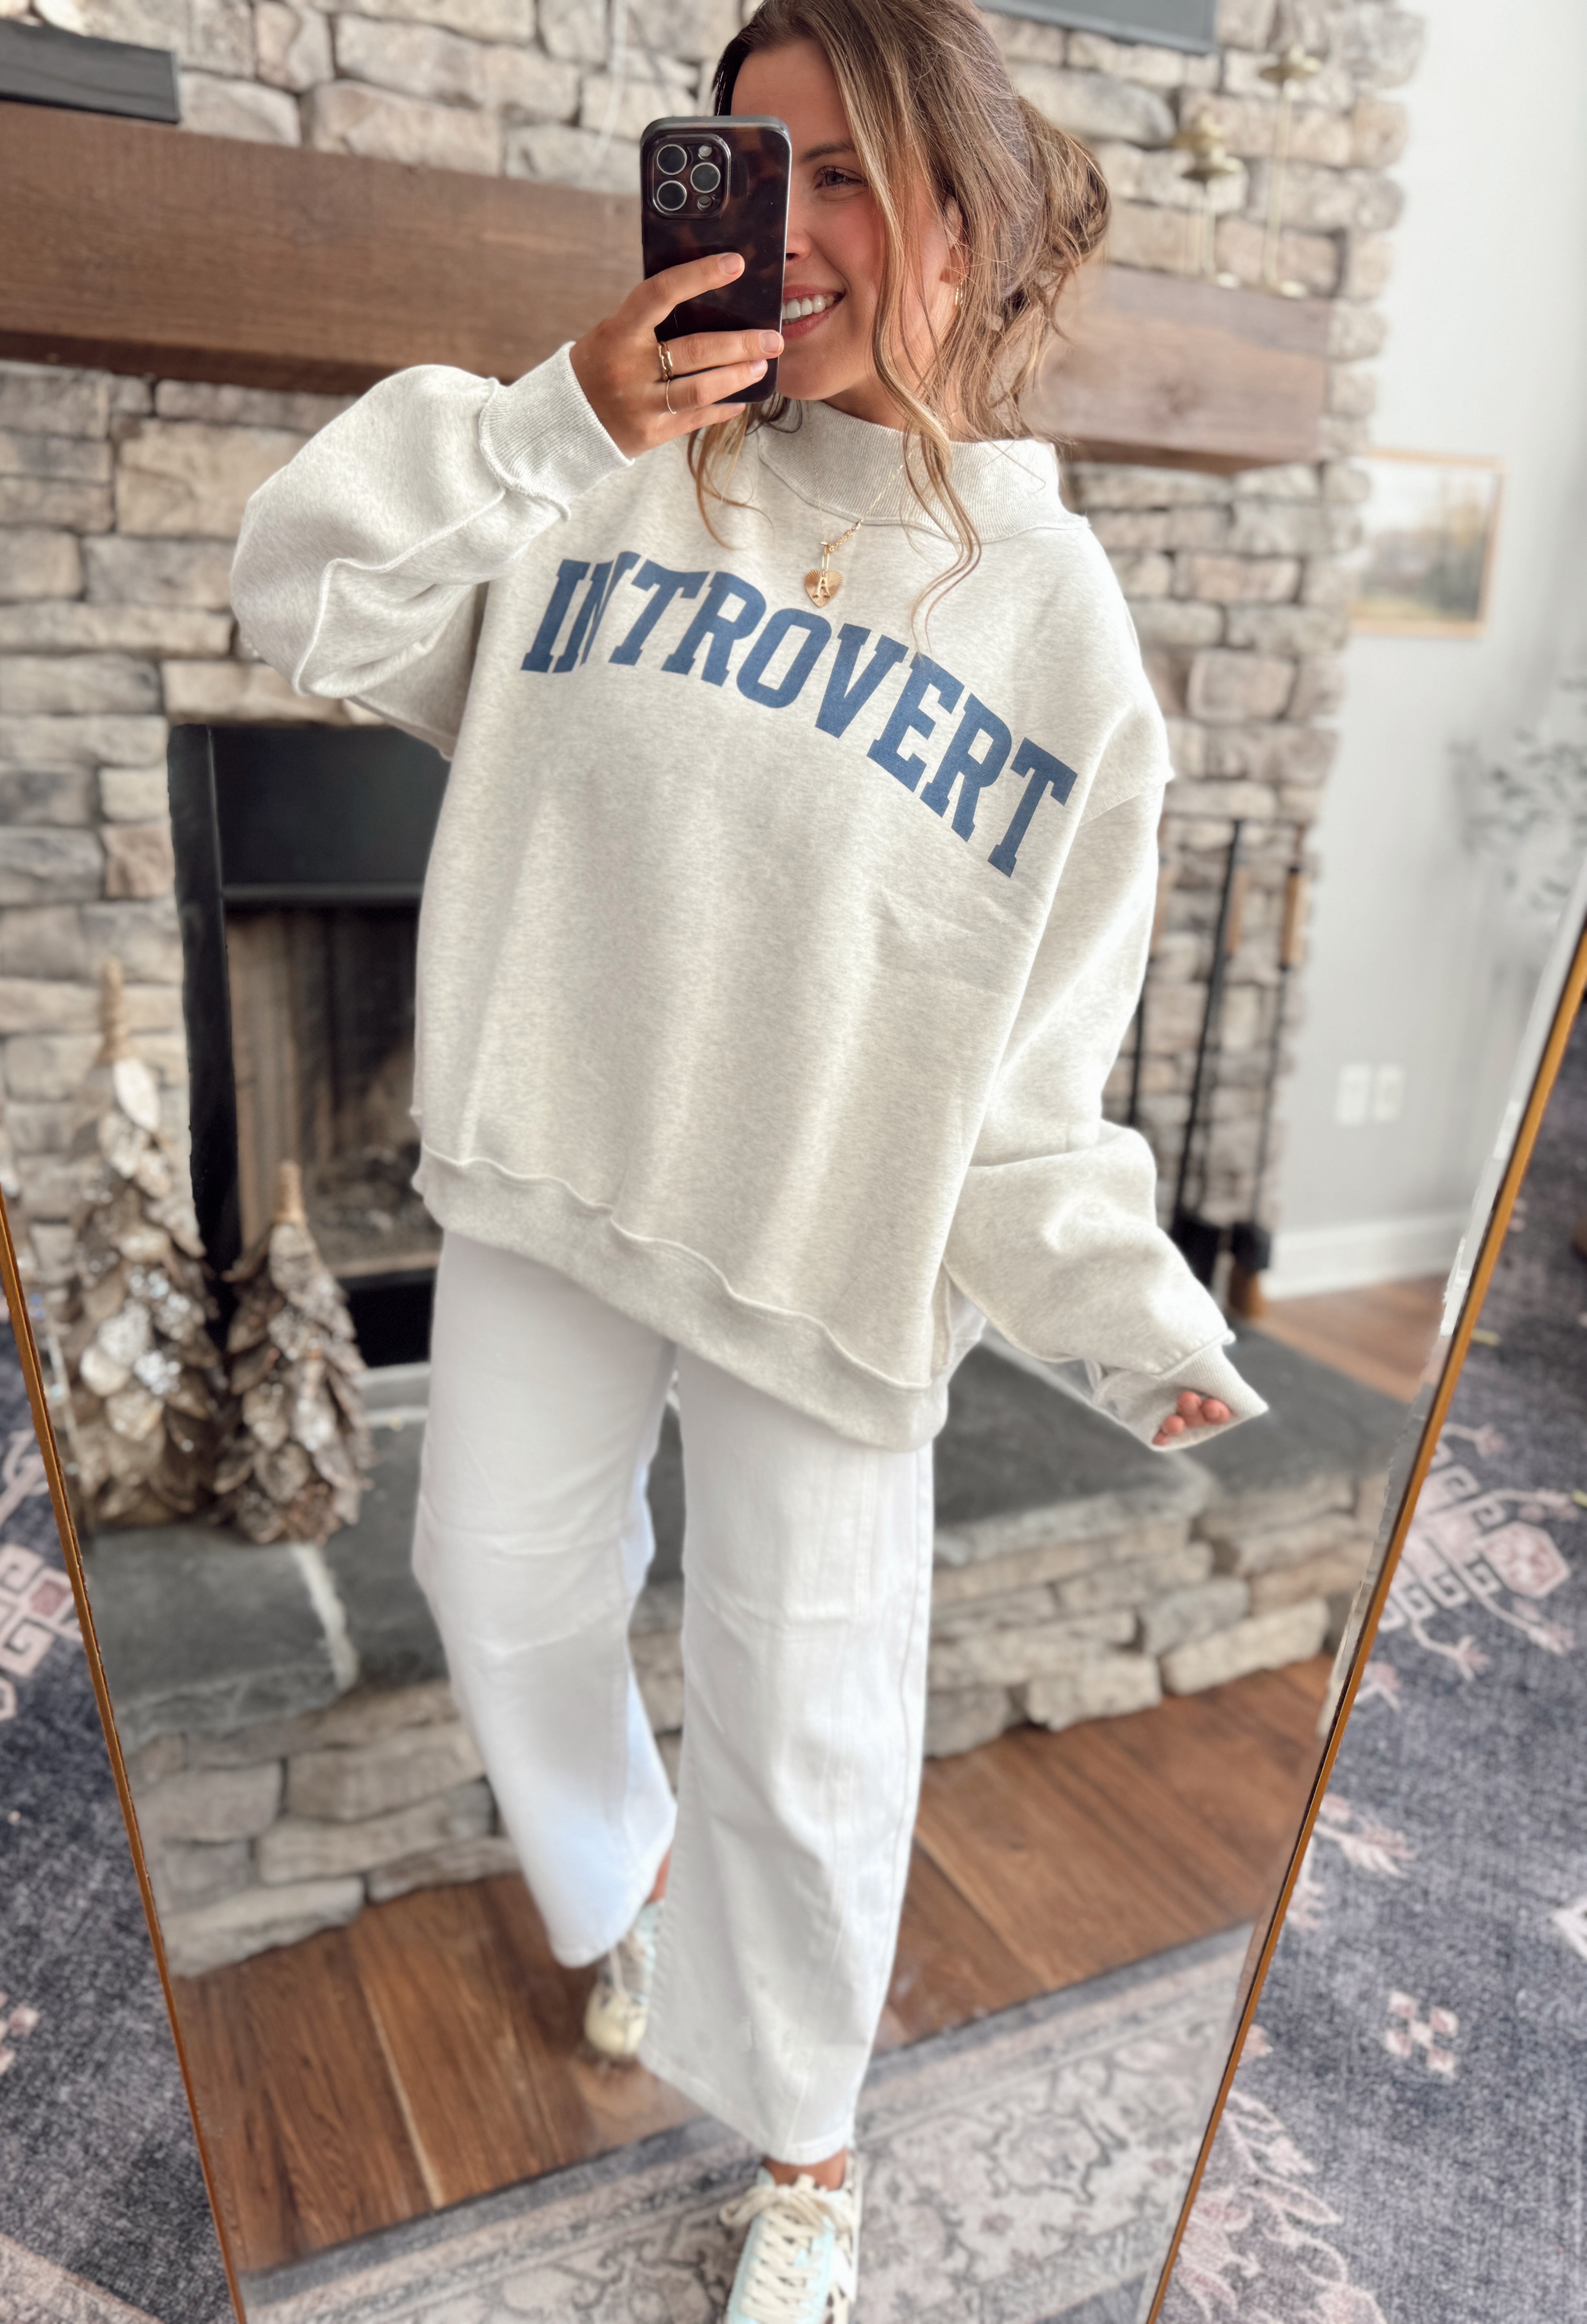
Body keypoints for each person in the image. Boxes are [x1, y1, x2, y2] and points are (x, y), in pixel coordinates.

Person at [231, 2, 1267, 2315]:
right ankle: (630, 1894)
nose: (784, 228)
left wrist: (1128, 1312)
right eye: (749, 165)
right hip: (554, 1173)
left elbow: (1034, 1067)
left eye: (844, 174)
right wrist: (561, 418)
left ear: (968, 222)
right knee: (499, 1586)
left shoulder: (1055, 620)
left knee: (807, 1726)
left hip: (827, 1247)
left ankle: (809, 2150)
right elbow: (302, 600)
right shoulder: (606, 467)